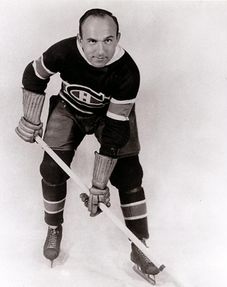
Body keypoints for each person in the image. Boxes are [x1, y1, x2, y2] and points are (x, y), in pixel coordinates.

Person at [16, 8, 160, 276]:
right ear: (79, 40)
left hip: (110, 118)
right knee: (51, 170)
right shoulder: (63, 51)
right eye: (92, 41)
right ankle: (53, 227)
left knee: (130, 175)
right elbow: (33, 75)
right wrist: (30, 119)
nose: (100, 50)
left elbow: (116, 131)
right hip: (68, 110)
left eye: (108, 40)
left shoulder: (128, 72)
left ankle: (139, 245)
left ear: (118, 38)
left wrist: (98, 185)